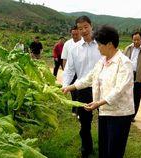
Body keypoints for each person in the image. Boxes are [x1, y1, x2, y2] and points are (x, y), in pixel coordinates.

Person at [62, 25, 134, 158]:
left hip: (119, 114)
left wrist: (98, 103)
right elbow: (89, 78)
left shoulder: (124, 63)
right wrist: (69, 87)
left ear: (110, 44)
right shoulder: (102, 61)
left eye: (100, 44)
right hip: (104, 111)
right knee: (104, 148)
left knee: (114, 151)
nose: (98, 47)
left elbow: (119, 90)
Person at [62, 15, 101, 158]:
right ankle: (87, 147)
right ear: (77, 30)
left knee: (104, 118)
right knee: (84, 122)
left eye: (86, 27)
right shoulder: (75, 49)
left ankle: (105, 147)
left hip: (102, 88)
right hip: (83, 89)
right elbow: (69, 70)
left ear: (91, 26)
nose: (83, 30)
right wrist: (66, 85)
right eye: (80, 28)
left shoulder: (101, 45)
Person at [61, 25, 82, 114]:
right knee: (73, 92)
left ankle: (80, 110)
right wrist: (65, 71)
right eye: (73, 34)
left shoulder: (84, 43)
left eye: (76, 34)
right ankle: (74, 109)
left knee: (81, 91)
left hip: (81, 72)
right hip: (71, 72)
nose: (74, 36)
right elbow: (64, 59)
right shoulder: (67, 44)